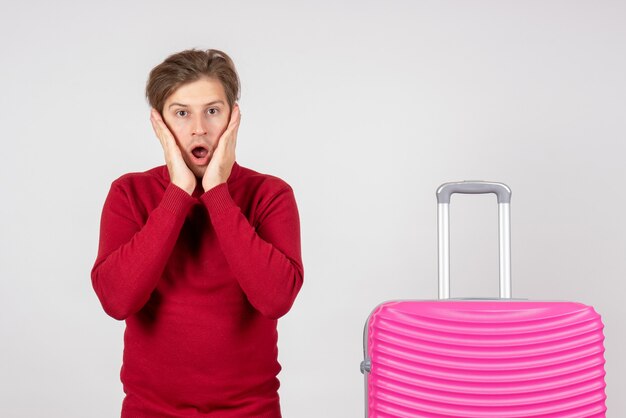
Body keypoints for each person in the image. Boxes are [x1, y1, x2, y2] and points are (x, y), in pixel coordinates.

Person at [91, 49, 304, 418]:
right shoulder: (129, 194)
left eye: (212, 110)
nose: (199, 128)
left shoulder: (270, 195)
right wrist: (178, 191)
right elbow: (117, 300)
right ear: (159, 123)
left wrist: (218, 192)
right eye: (181, 113)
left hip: (251, 411)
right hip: (149, 411)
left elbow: (275, 300)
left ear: (233, 117)